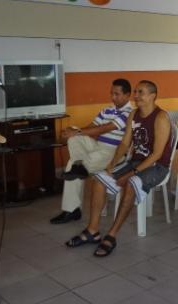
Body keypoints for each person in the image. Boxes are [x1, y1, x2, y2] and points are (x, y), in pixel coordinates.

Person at [65, 80, 172, 257]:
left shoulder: (161, 118)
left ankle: (112, 235)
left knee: (130, 183)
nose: (136, 96)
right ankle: (93, 231)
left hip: (157, 167)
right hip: (136, 162)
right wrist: (112, 164)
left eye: (141, 92)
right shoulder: (134, 115)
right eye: (136, 92)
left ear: (153, 96)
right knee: (99, 180)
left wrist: (131, 173)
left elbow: (157, 155)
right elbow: (124, 143)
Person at [50, 79, 133, 224]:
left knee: (70, 166)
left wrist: (77, 131)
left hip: (114, 153)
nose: (113, 97)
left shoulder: (129, 112)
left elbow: (105, 128)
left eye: (117, 94)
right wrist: (73, 132)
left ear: (127, 95)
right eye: (111, 93)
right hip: (98, 146)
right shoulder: (107, 109)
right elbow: (92, 126)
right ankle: (79, 166)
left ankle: (72, 210)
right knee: (74, 139)